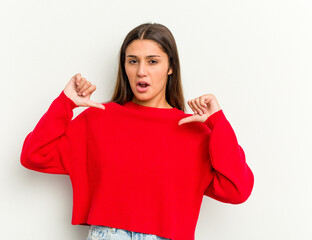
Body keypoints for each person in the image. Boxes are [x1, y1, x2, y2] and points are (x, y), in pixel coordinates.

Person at [20, 22, 254, 240]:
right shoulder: (99, 118)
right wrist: (65, 103)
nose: (141, 71)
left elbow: (237, 190)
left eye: (152, 61)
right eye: (133, 61)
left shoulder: (195, 131)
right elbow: (34, 156)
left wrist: (217, 122)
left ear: (170, 67)